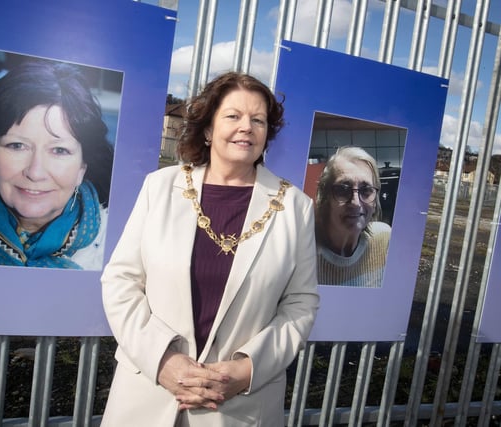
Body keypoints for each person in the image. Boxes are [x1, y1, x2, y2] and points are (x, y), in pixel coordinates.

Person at [100, 72, 319, 426]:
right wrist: (162, 360)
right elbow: (120, 281)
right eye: (233, 116)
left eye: (258, 120)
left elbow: (301, 303)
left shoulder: (296, 207)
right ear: (207, 128)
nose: (246, 127)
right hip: (148, 395)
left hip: (240, 408)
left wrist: (247, 370)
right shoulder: (160, 187)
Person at [0, 60, 114, 269]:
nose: (35, 172)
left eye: (59, 150)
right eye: (17, 146)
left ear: (83, 167)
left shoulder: (123, 250)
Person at [315, 146, 391, 287]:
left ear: (375, 201)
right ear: (325, 198)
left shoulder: (385, 238)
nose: (356, 203)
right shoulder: (302, 257)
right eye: (343, 190)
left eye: (366, 190)